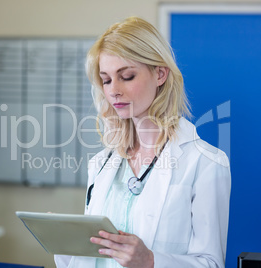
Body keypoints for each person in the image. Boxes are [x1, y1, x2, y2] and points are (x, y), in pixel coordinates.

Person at [55, 16, 231, 268]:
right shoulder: (101, 163)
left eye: (126, 76)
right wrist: (65, 242)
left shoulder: (205, 163)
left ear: (160, 74)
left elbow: (211, 263)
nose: (114, 89)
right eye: (106, 80)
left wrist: (151, 261)